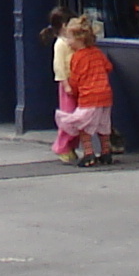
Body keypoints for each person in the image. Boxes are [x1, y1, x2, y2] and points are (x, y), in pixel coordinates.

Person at [57, 15, 117, 166]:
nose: (68, 42)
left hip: (89, 96)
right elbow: (108, 67)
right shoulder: (97, 52)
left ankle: (88, 154)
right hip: (105, 95)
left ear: (79, 39)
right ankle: (105, 152)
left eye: (69, 38)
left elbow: (76, 79)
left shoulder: (77, 57)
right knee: (104, 125)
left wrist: (70, 88)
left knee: (83, 126)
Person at [44, 8, 77, 163]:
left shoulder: (72, 41)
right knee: (68, 117)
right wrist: (65, 84)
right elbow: (59, 67)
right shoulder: (61, 44)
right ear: (64, 25)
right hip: (67, 84)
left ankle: (71, 146)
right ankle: (62, 147)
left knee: (78, 117)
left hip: (77, 82)